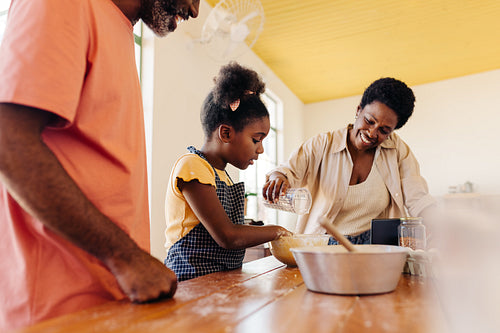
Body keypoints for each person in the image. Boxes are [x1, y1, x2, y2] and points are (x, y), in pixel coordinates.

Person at [0, 0, 200, 330]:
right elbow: (9, 141)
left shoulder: (118, 27)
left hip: (113, 306)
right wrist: (124, 257)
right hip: (57, 316)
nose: (194, 10)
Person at [262, 78, 436, 244]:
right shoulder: (322, 144)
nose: (372, 133)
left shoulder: (397, 150)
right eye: (369, 121)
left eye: (384, 130)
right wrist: (279, 178)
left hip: (374, 246)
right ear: (358, 110)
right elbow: (288, 170)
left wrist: (439, 227)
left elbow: (417, 197)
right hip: (323, 244)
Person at [164, 62, 292, 281]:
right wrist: (277, 230)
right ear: (225, 133)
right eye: (256, 139)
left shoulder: (223, 175)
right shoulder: (193, 166)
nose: (260, 149)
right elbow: (228, 236)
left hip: (219, 281)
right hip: (190, 281)